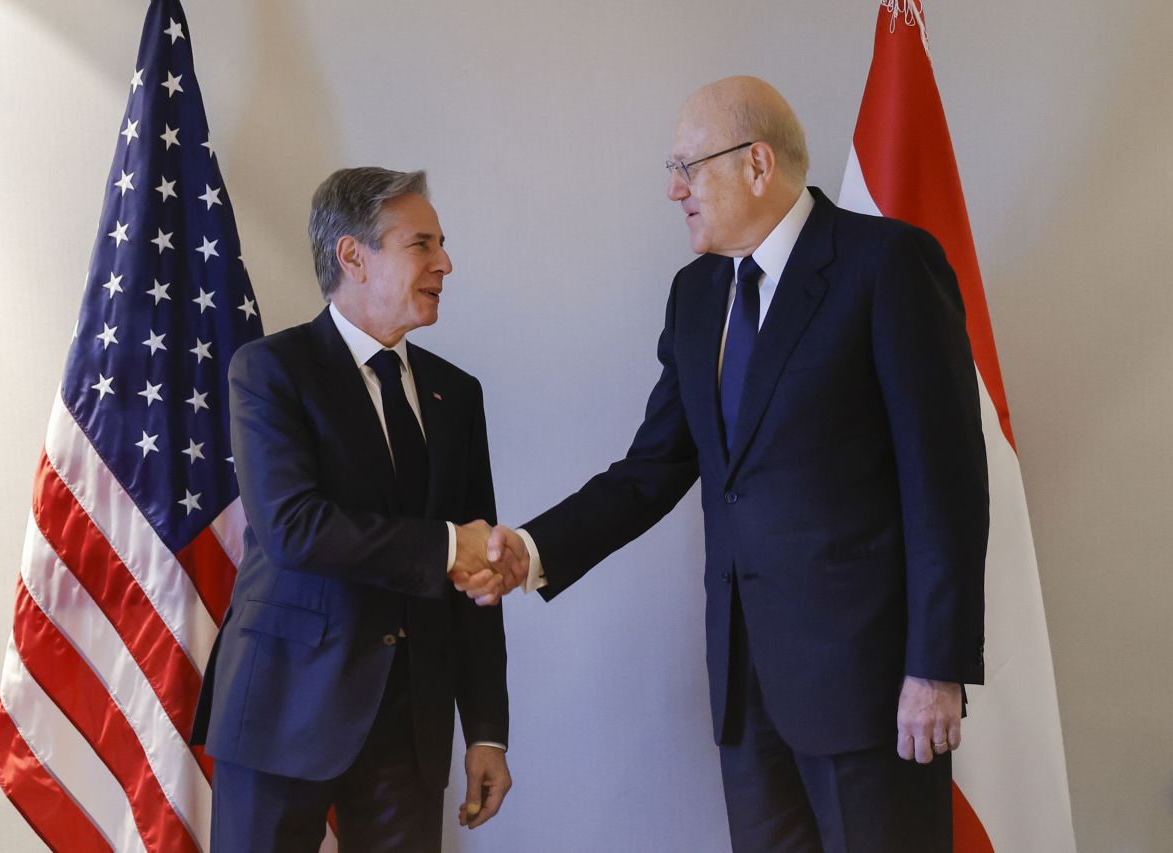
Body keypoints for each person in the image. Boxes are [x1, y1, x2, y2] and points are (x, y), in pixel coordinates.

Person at [472, 77, 989, 852]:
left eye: (688, 166)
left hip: (872, 689)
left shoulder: (886, 264)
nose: (672, 188)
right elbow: (652, 468)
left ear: (757, 164)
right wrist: (535, 547)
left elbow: (944, 480)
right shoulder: (696, 294)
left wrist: (936, 666)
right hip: (746, 695)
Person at [191, 167, 513, 852]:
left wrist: (486, 727)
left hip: (412, 727)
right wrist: (449, 548)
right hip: (284, 708)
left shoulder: (458, 394)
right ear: (353, 256)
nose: (444, 262)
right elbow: (293, 528)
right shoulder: (269, 370)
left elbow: (477, 573)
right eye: (421, 244)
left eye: (441, 244)